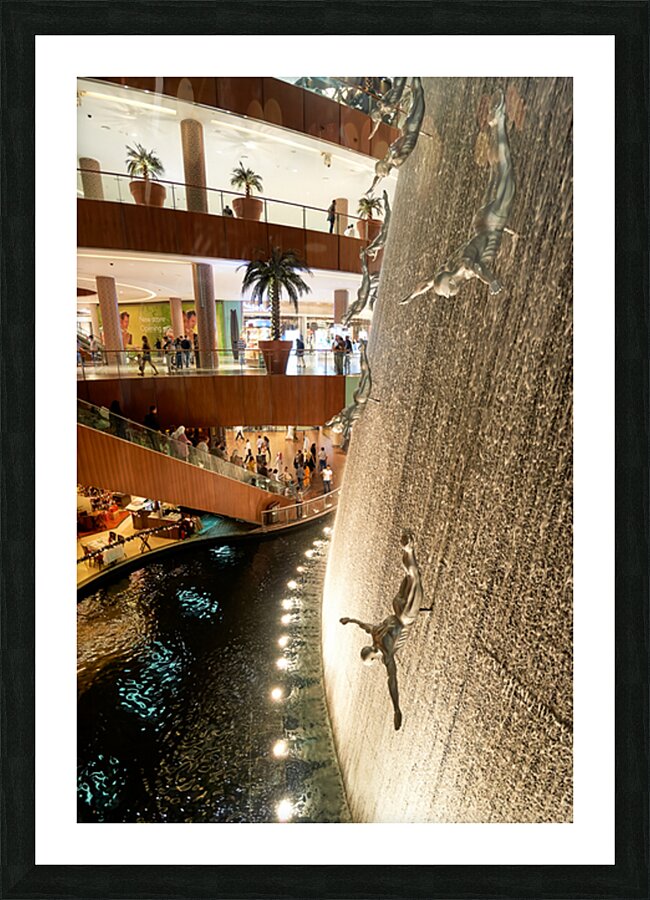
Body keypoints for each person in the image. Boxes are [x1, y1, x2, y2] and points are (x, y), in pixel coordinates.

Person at [400, 88, 516, 304]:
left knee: (507, 174)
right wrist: (411, 296)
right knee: (498, 177)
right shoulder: (447, 268)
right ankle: (495, 128)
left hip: (493, 223)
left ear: (450, 284)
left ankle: (498, 121)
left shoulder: (462, 268)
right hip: (482, 224)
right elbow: (426, 283)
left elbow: (477, 267)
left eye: (445, 292)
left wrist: (491, 281)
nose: (446, 295)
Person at [339, 530, 426, 730]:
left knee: (415, 578)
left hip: (405, 616)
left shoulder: (386, 655)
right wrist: (350, 620)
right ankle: (407, 551)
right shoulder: (375, 634)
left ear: (372, 659)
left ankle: (409, 549)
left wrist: (396, 708)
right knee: (410, 576)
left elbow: (392, 682)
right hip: (396, 608)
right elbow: (364, 626)